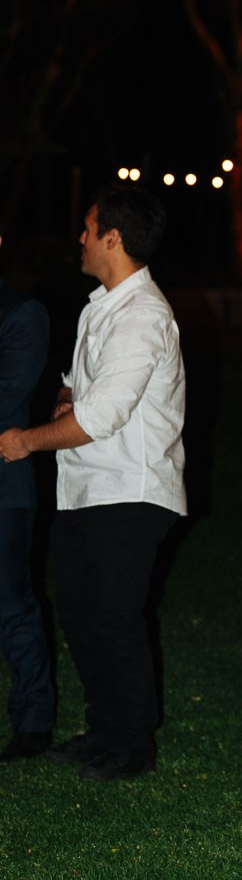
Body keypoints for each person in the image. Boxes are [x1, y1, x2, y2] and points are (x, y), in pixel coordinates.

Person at [0, 185, 186, 782]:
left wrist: (25, 440)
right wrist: (64, 396)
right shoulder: (101, 306)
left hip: (130, 491)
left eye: (86, 228)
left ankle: (132, 744)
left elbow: (101, 416)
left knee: (114, 618)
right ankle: (105, 730)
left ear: (113, 236)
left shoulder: (143, 314)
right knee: (83, 616)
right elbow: (80, 391)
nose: (78, 238)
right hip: (87, 490)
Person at [0, 239, 55, 761]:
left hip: (4, 487)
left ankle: (33, 722)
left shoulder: (21, 314)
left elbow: (8, 401)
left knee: (11, 606)